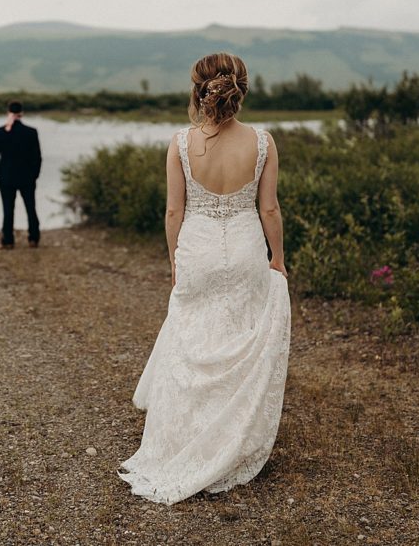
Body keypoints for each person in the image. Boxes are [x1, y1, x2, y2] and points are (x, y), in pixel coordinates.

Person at [118, 52, 292, 505]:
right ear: (242, 89)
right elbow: (268, 208)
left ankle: (181, 440)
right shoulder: (263, 142)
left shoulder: (180, 143)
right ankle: (229, 440)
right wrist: (279, 257)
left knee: (190, 340)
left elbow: (175, 210)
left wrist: (175, 258)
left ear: (199, 89)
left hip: (197, 249)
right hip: (246, 248)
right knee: (238, 341)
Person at [0, 100, 41, 249]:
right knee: (30, 207)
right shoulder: (31, 132)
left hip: (6, 177)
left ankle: (8, 240)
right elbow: (37, 157)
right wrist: (34, 174)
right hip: (27, 177)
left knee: (7, 209)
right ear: (22, 113)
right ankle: (33, 238)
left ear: (8, 112)